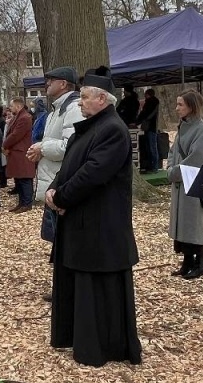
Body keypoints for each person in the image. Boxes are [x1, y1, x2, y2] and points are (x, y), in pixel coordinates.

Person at [48, 67, 142, 366]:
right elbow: (69, 167)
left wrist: (62, 197)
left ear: (102, 99)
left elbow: (92, 174)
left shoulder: (112, 130)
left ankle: (101, 346)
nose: (80, 102)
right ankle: (77, 337)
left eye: (85, 97)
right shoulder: (89, 126)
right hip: (81, 219)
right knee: (79, 281)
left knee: (98, 288)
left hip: (101, 225)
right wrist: (54, 190)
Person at [31, 65, 86, 256]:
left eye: (51, 80)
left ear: (63, 84)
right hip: (52, 181)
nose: (47, 84)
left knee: (65, 243)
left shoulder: (73, 109)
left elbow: (70, 146)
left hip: (62, 182)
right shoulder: (57, 108)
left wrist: (42, 147)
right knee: (57, 242)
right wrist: (41, 149)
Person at [166, 89, 203, 279]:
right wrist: (171, 168)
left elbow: (196, 157)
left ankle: (200, 263)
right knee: (183, 224)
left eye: (180, 105)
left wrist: (174, 172)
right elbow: (172, 151)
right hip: (180, 183)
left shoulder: (201, 129)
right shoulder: (182, 127)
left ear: (191, 106)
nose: (177, 108)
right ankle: (187, 262)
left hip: (193, 182)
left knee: (194, 225)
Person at [3, 96, 36, 211]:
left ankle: (27, 203)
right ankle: (22, 203)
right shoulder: (18, 116)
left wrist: (5, 145)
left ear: (18, 106)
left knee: (24, 178)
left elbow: (16, 135)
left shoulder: (25, 118)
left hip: (22, 152)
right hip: (16, 152)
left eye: (12, 106)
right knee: (19, 178)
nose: (10, 108)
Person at [137, 86, 162, 172]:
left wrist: (137, 122)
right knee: (151, 148)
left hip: (150, 128)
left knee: (151, 148)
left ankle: (153, 167)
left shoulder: (150, 103)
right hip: (152, 127)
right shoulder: (155, 102)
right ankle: (153, 166)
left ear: (148, 95)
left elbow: (145, 114)